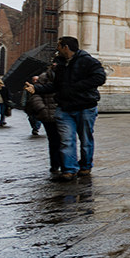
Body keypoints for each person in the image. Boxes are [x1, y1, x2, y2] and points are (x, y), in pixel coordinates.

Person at [26, 36, 107, 181]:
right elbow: (56, 86)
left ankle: (86, 166)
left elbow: (100, 78)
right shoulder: (61, 64)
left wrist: (74, 88)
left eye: (59, 46)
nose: (57, 49)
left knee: (85, 139)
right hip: (64, 107)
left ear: (66, 47)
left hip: (85, 106)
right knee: (66, 140)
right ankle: (69, 170)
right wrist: (36, 89)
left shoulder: (88, 61)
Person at [26, 71, 64, 174]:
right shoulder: (44, 77)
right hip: (48, 114)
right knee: (54, 141)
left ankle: (67, 165)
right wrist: (42, 109)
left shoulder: (67, 74)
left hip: (64, 113)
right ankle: (55, 165)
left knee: (66, 140)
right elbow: (35, 96)